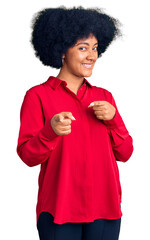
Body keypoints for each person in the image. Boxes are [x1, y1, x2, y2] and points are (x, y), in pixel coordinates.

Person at [16, 6, 134, 240]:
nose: (91, 56)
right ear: (62, 51)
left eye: (95, 48)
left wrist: (113, 121)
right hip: (59, 210)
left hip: (105, 209)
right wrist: (50, 132)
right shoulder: (37, 96)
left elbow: (125, 152)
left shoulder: (105, 97)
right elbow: (27, 156)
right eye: (82, 48)